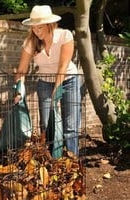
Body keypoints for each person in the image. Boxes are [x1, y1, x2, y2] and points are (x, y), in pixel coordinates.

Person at [14, 5, 81, 158]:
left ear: (50, 25)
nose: (36, 31)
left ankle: (72, 161)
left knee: (70, 126)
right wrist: (19, 89)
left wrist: (57, 89)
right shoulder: (30, 42)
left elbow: (63, 66)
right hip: (44, 82)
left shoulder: (65, 35)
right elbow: (21, 70)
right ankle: (52, 160)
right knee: (46, 123)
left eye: (40, 27)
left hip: (68, 79)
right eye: (34, 28)